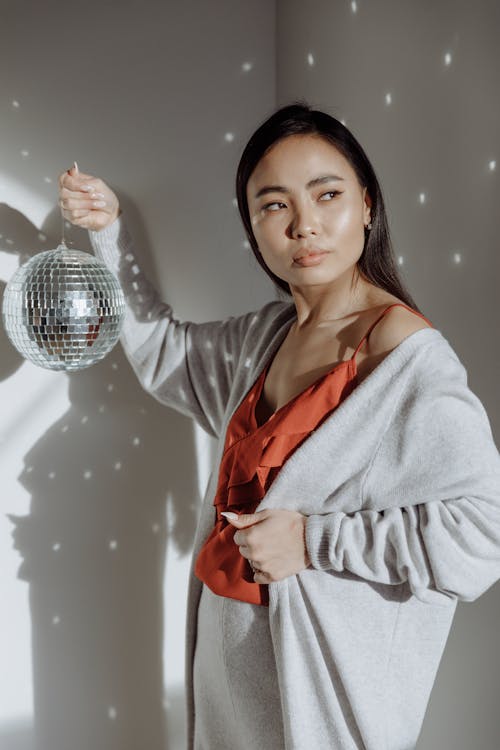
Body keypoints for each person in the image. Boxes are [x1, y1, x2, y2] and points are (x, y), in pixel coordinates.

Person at [58, 102, 500, 750]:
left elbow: (484, 536)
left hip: (318, 698)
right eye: (274, 205)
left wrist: (313, 542)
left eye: (327, 194)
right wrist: (110, 233)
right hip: (225, 678)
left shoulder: (403, 357)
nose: (305, 225)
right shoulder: (269, 335)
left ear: (369, 205)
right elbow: (166, 353)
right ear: (253, 228)